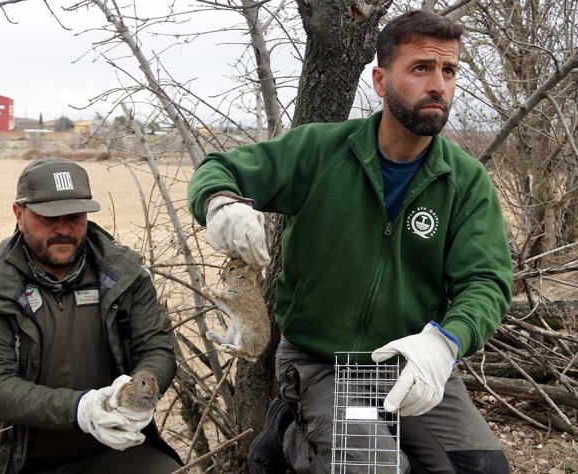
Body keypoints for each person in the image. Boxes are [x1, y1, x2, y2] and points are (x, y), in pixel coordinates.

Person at [187, 10, 513, 474]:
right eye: (421, 68)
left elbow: (487, 282)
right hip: (324, 365)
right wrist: (221, 204)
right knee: (375, 466)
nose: (438, 84)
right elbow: (219, 168)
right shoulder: (320, 150)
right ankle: (296, 439)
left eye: (449, 70)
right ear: (381, 81)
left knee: (482, 467)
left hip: (410, 364)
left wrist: (445, 344)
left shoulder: (464, 181)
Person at [0, 157, 181, 473]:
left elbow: (156, 349)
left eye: (75, 217)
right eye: (50, 218)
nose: (64, 229)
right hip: (26, 461)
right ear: (19, 214)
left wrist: (138, 394)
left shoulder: (125, 275)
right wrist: (81, 409)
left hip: (117, 448)